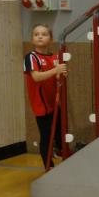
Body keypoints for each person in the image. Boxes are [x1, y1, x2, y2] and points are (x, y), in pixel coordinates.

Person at [23, 24, 66, 169]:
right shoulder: (31, 57)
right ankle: (48, 165)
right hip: (41, 104)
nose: (40, 36)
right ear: (32, 39)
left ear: (51, 39)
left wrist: (61, 73)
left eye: (44, 34)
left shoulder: (55, 57)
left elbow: (59, 76)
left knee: (60, 131)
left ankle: (61, 152)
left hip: (54, 103)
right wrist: (55, 70)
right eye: (36, 34)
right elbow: (36, 77)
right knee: (47, 136)